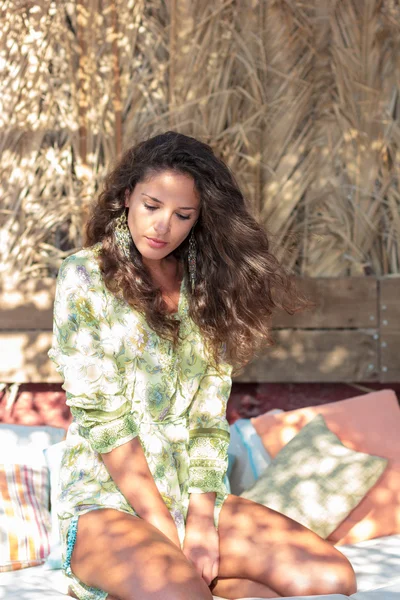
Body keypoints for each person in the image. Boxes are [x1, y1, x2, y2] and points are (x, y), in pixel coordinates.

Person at [48, 131, 357, 600]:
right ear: (127, 195)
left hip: (188, 497)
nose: (161, 225)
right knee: (183, 592)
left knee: (332, 577)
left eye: (182, 215)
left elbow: (208, 422)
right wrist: (165, 532)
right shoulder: (84, 275)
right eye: (151, 205)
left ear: (198, 220)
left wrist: (199, 524)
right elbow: (105, 421)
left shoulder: (208, 288)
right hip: (105, 503)